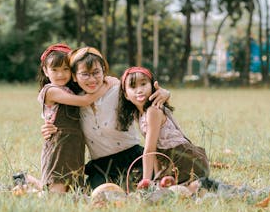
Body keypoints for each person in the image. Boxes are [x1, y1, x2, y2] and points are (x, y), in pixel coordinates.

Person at [41, 46, 171, 190]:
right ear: (74, 76)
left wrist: (164, 93)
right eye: (85, 74)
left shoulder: (119, 91)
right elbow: (56, 116)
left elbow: (143, 93)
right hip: (101, 165)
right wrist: (47, 127)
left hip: (132, 157)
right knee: (98, 195)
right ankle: (28, 181)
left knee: (149, 190)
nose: (92, 79)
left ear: (104, 70)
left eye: (96, 72)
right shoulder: (73, 101)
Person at [37, 43, 115, 193]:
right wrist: (106, 85)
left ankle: (31, 183)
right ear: (46, 71)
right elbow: (85, 101)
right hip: (59, 146)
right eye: (55, 70)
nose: (60, 74)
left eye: (65, 69)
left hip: (76, 147)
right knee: (57, 191)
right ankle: (26, 183)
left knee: (74, 191)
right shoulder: (50, 91)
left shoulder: (72, 90)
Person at [117, 66, 209, 188]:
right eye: (133, 87)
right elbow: (155, 152)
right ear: (126, 95)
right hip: (170, 160)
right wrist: (156, 176)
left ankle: (210, 186)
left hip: (185, 158)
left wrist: (145, 181)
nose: (139, 90)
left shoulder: (153, 111)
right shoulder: (139, 115)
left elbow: (149, 150)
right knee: (163, 187)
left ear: (152, 86)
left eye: (143, 84)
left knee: (177, 191)